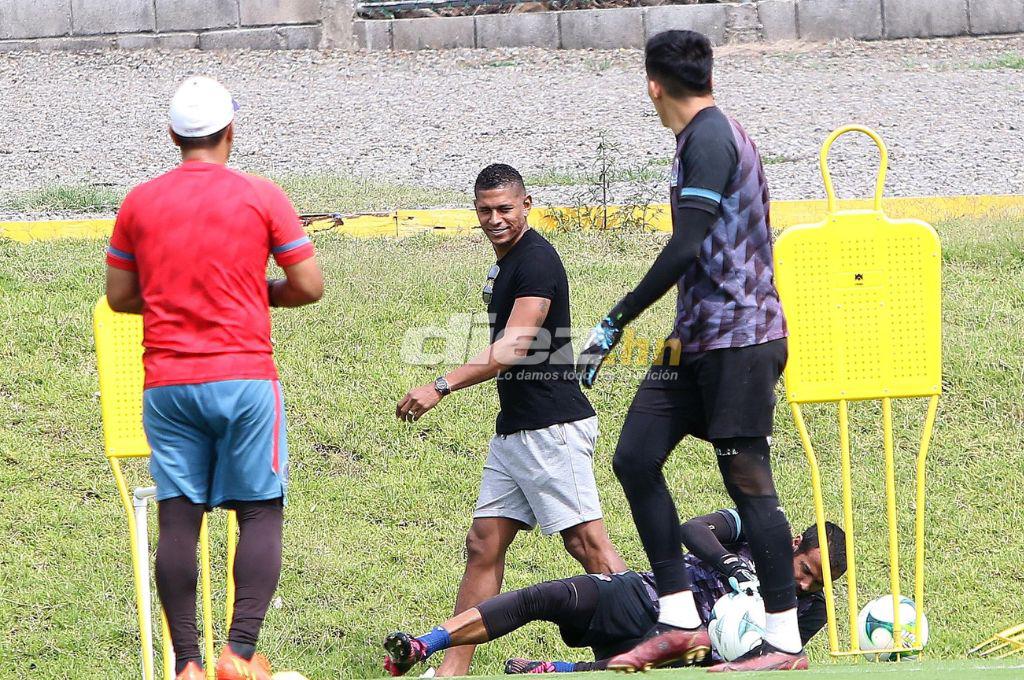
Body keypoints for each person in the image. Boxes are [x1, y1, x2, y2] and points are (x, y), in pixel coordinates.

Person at [575, 30, 800, 672]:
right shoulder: (699, 135)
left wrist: (614, 320)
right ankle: (677, 618)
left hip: (742, 337)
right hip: (695, 336)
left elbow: (686, 245)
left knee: (747, 476)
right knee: (636, 458)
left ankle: (783, 642)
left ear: (652, 85)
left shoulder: (707, 136)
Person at [105, 76, 323, 680]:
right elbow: (308, 285)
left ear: (173, 135)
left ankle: (189, 665)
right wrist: (260, 293)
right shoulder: (261, 196)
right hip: (245, 380)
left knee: (178, 518)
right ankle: (240, 653)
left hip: (167, 385)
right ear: (231, 131)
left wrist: (175, 294)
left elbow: (120, 296)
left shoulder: (139, 202)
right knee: (258, 511)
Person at [396, 163, 627, 676]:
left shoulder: (537, 261)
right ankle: (452, 669)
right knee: (484, 545)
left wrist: (441, 385)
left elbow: (517, 345)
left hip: (551, 427)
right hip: (516, 430)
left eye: (505, 208)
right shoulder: (505, 262)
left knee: (587, 545)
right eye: (485, 210)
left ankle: (647, 645)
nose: (495, 218)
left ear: (527, 205)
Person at [381, 512, 847, 676]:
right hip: (644, 594)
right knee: (545, 597)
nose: (803, 585)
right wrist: (732, 566)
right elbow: (692, 529)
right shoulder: (759, 528)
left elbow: (771, 659)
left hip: (684, 645)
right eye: (805, 570)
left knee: (680, 651)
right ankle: (425, 645)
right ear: (793, 546)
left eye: (815, 584)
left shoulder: (810, 609)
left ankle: (556, 670)